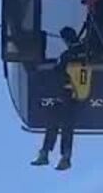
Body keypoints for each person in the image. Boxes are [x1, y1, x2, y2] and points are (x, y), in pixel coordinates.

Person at [32, 27, 91, 171]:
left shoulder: (67, 55)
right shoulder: (87, 52)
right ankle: (64, 156)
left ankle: (48, 153)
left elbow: (57, 72)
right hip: (79, 96)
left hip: (66, 95)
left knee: (53, 124)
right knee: (67, 126)